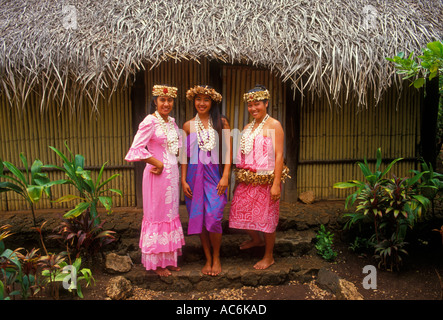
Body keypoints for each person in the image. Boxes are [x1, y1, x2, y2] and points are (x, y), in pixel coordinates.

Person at [124, 85, 185, 277]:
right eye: (162, 100)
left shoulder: (172, 123)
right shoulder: (150, 121)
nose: (166, 104)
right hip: (156, 176)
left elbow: (177, 148)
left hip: (172, 175)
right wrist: (155, 161)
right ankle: (157, 263)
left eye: (169, 100)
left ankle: (169, 259)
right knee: (157, 216)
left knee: (170, 215)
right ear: (155, 102)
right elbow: (135, 149)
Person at [229, 84, 288, 270]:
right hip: (247, 179)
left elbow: (279, 155)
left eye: (257, 104)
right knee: (238, 210)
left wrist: (276, 183)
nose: (253, 108)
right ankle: (256, 239)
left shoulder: (274, 125)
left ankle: (268, 256)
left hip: (266, 180)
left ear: (266, 103)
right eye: (250, 105)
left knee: (267, 218)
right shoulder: (247, 127)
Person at [181, 85, 231, 276]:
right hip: (193, 177)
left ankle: (217, 256)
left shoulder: (222, 122)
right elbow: (184, 157)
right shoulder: (187, 126)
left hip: (215, 176)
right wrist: (184, 180)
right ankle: (208, 258)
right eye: (198, 99)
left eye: (206, 100)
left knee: (214, 216)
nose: (202, 103)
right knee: (200, 218)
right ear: (194, 101)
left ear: (213, 102)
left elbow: (228, 153)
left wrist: (226, 176)